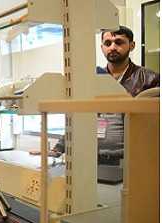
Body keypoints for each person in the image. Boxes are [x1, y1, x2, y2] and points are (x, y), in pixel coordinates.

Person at [30, 26, 159, 160]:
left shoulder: (150, 79)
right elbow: (76, 117)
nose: (113, 47)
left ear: (132, 46)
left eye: (119, 42)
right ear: (102, 47)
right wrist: (58, 149)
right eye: (107, 43)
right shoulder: (93, 79)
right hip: (91, 161)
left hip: (131, 160)